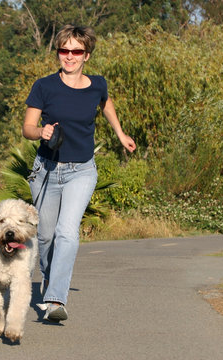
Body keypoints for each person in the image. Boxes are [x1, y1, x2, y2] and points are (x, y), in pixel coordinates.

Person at [22, 24, 136, 322]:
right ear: (58, 52)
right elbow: (27, 128)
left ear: (87, 54)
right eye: (64, 50)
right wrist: (41, 131)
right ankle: (49, 281)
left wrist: (120, 134)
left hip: (81, 171)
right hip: (46, 170)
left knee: (66, 232)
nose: (69, 56)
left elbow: (106, 103)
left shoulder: (97, 84)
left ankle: (56, 299)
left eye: (76, 51)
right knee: (46, 237)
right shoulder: (44, 86)